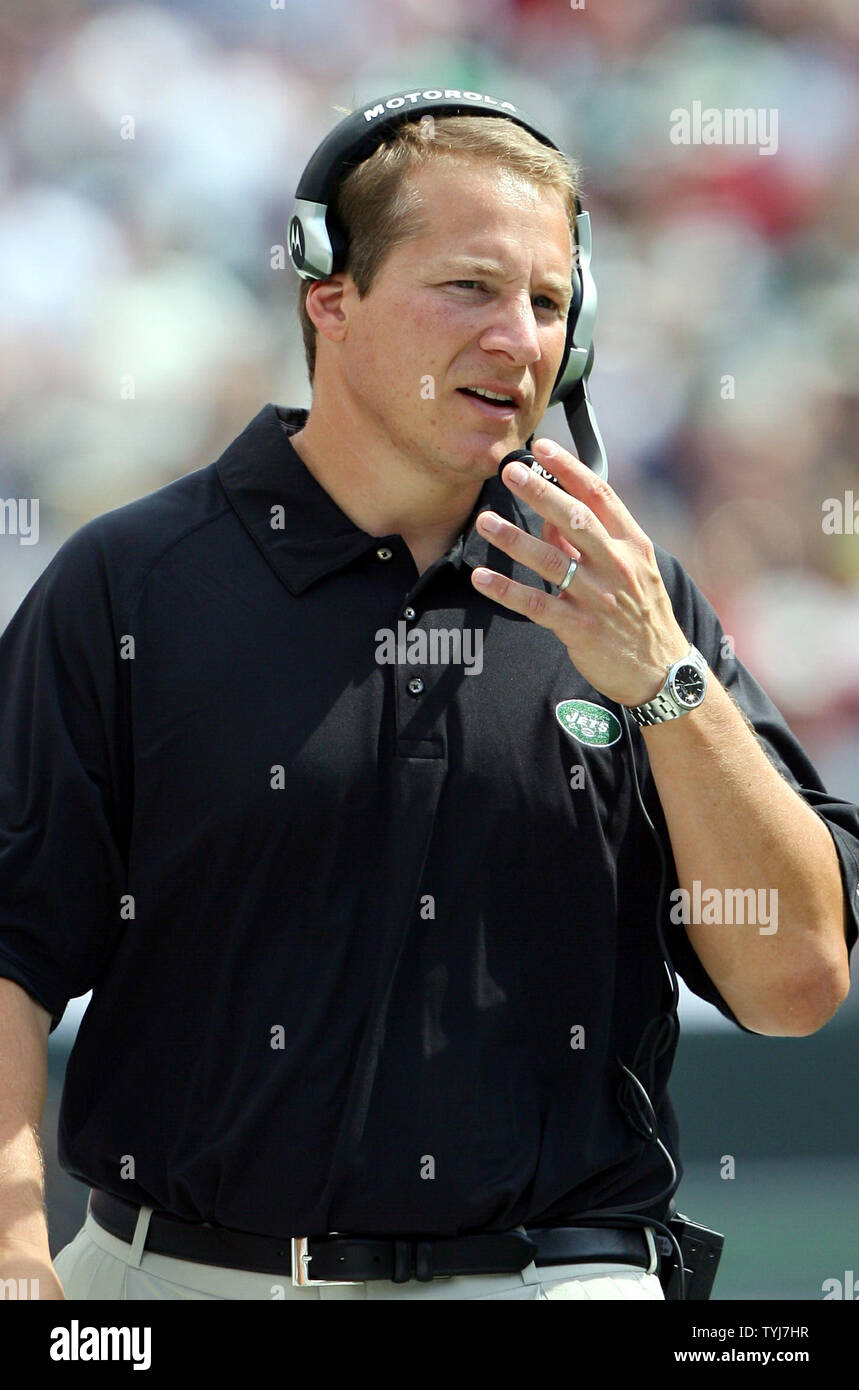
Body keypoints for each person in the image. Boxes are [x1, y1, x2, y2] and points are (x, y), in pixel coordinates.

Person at [0, 101, 856, 1303]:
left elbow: (795, 984)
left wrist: (662, 675)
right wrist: (11, 1248)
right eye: (469, 287)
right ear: (329, 298)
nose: (520, 339)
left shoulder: (631, 592)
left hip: (554, 1280)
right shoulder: (129, 582)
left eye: (552, 304)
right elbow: (11, 950)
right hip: (174, 1281)